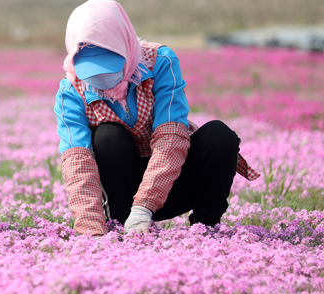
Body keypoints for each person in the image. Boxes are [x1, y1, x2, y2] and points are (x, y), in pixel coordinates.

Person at [54, 0, 259, 236]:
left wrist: (145, 206)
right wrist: (91, 231)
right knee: (108, 135)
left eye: (109, 66)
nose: (101, 78)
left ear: (126, 47)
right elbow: (78, 163)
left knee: (219, 136)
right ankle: (120, 224)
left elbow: (170, 137)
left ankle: (206, 227)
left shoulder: (160, 61)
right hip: (121, 194)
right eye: (92, 71)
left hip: (173, 177)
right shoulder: (71, 91)